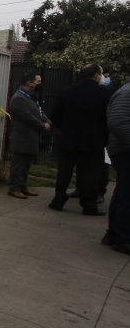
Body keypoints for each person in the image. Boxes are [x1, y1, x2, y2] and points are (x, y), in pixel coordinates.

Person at [48, 63, 111, 215]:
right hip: (93, 141)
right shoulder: (104, 94)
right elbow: (109, 119)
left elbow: (55, 117)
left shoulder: (67, 92)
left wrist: (67, 129)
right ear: (96, 75)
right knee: (90, 174)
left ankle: (58, 201)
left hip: (68, 139)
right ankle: (89, 205)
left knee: (64, 172)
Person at [7, 73, 51, 199]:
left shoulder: (31, 97)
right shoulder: (19, 98)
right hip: (23, 137)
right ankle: (15, 188)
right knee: (19, 165)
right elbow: (28, 117)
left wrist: (47, 120)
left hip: (31, 137)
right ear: (29, 82)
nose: (39, 84)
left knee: (26, 165)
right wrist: (42, 126)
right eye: (38, 81)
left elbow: (39, 112)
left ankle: (22, 186)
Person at [103, 79, 130, 254]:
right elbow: (118, 121)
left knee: (123, 193)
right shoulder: (127, 93)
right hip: (125, 151)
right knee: (126, 196)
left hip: (123, 149)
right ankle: (122, 237)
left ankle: (114, 233)